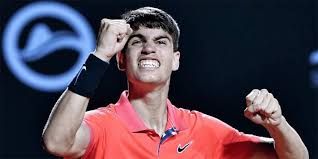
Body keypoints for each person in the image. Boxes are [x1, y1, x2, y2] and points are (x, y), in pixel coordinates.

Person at [42, 7, 309, 159]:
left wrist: (278, 125)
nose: (149, 49)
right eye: (138, 41)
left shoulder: (202, 130)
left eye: (161, 42)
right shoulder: (101, 125)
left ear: (175, 60)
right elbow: (56, 142)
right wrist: (100, 55)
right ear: (121, 59)